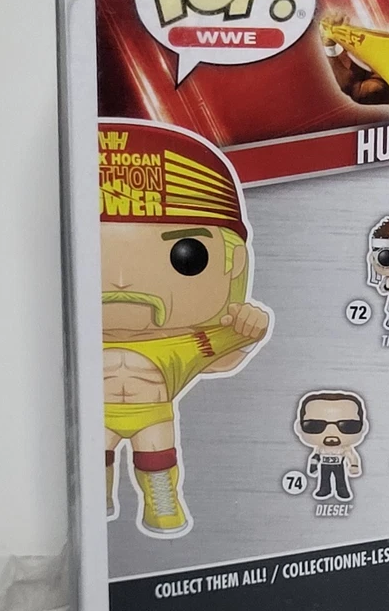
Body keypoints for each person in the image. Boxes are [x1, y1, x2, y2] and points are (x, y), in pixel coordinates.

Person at [100, 119, 272, 537]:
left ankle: (162, 507)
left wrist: (249, 326)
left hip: (153, 415)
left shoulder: (183, 344)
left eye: (187, 255)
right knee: (92, 466)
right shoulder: (71, 341)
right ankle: (94, 503)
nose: (122, 281)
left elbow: (225, 352)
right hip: (95, 418)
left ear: (233, 262)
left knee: (158, 463)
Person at [294, 392, 369, 501]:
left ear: (363, 427)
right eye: (315, 426)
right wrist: (313, 466)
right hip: (324, 465)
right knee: (324, 479)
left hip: (339, 464)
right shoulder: (320, 448)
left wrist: (354, 465)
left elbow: (351, 455)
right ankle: (324, 489)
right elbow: (315, 456)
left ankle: (342, 490)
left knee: (340, 478)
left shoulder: (345, 448)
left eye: (347, 426)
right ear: (299, 427)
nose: (331, 433)